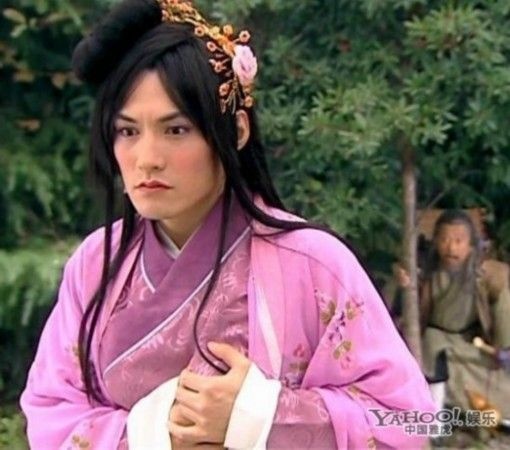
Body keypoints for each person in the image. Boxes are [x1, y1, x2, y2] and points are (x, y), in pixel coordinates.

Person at [20, 0, 435, 448]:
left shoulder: (312, 263)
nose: (147, 158)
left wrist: (264, 415)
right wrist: (155, 433)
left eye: (175, 130)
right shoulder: (95, 265)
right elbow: (51, 414)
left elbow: (414, 422)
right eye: (128, 131)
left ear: (236, 131)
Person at [390, 209, 510, 418]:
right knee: (432, 358)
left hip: (470, 343)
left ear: (471, 245)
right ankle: (434, 418)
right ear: (435, 242)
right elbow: (398, 309)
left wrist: (504, 347)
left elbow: (503, 309)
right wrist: (403, 284)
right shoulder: (424, 271)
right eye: (444, 240)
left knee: (497, 382)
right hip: (433, 338)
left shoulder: (487, 275)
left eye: (458, 241)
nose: (451, 247)